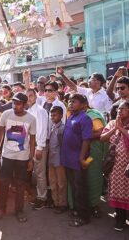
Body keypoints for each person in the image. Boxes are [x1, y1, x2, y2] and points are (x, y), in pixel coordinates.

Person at [0, 92, 36, 222]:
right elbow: (0, 133)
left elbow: (32, 140)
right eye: (13, 103)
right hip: (7, 156)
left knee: (20, 184)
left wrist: (31, 159)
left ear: (24, 105)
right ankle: (2, 209)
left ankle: (19, 210)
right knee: (4, 183)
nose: (14, 106)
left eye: (18, 104)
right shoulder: (6, 114)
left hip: (22, 157)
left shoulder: (31, 119)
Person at [61, 94, 92, 227]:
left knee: (80, 189)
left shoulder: (85, 118)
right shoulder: (71, 116)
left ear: (83, 104)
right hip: (68, 159)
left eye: (74, 102)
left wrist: (81, 157)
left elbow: (87, 139)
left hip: (78, 159)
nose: (71, 103)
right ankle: (77, 211)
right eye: (69, 101)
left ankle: (84, 217)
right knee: (73, 187)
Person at [100, 101, 129, 231]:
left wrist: (122, 129)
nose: (119, 111)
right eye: (118, 109)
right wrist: (115, 129)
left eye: (123, 109)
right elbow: (102, 138)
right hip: (116, 167)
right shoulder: (112, 123)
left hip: (127, 166)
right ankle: (120, 220)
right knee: (117, 191)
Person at [26, 88, 48, 210]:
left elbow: (42, 129)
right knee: (35, 171)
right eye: (27, 96)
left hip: (39, 146)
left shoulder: (40, 111)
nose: (29, 98)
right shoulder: (29, 110)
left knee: (40, 173)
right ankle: (39, 195)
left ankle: (42, 198)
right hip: (30, 145)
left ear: (35, 97)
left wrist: (39, 147)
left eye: (31, 96)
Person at [48, 106, 67, 214]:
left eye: (54, 115)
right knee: (53, 182)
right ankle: (56, 202)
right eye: (51, 115)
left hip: (59, 160)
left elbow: (62, 145)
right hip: (52, 159)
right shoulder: (53, 126)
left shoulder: (62, 128)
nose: (52, 117)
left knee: (61, 183)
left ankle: (62, 204)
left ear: (61, 115)